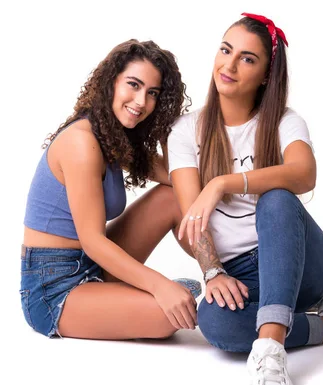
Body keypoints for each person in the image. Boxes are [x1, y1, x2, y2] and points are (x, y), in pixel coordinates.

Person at [167, 13, 323, 385]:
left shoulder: (284, 122)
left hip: (302, 263)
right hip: (242, 275)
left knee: (277, 196)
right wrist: (212, 271)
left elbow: (304, 174)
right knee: (214, 323)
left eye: (247, 58)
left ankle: (271, 351)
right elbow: (192, 218)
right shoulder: (186, 131)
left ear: (265, 76)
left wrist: (223, 183)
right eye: (226, 50)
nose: (229, 64)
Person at [20, 38, 202, 341]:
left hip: (92, 266)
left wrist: (168, 126)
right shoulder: (82, 142)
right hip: (54, 288)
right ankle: (162, 294)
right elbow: (92, 241)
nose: (141, 101)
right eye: (133, 84)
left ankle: (228, 274)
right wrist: (160, 285)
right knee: (168, 317)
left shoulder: (113, 138)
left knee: (171, 198)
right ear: (111, 83)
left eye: (152, 93)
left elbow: (176, 177)